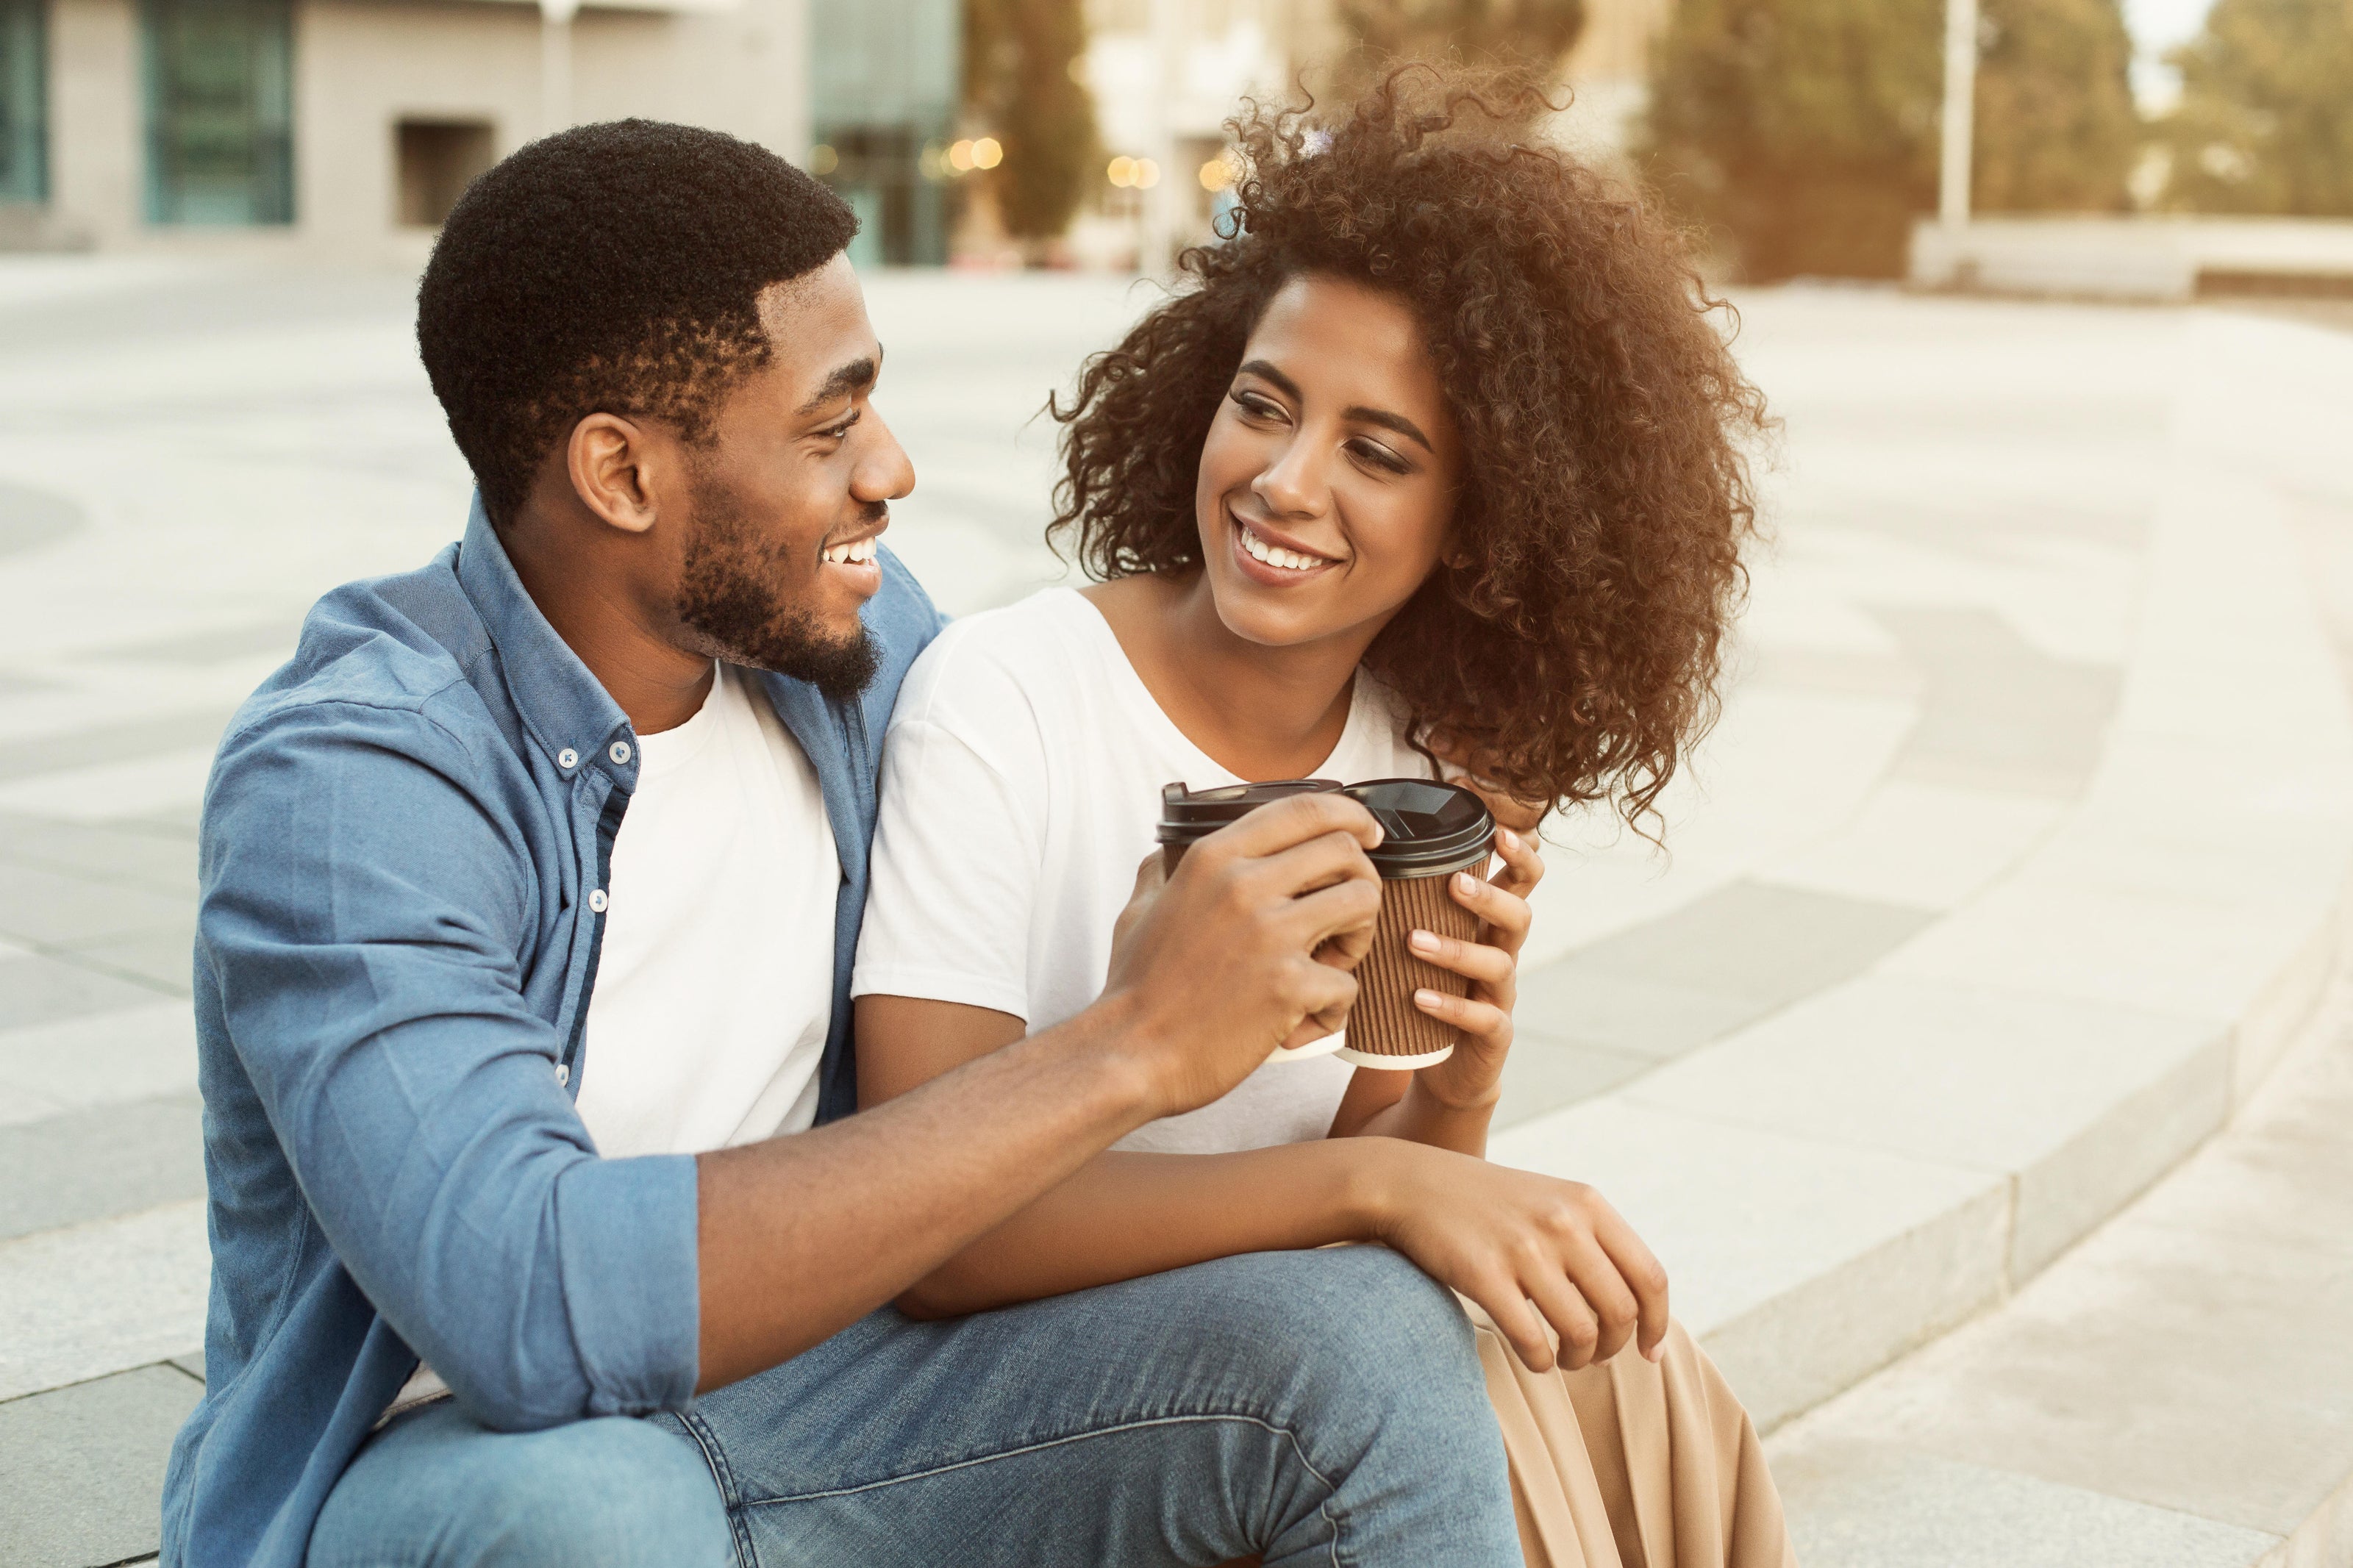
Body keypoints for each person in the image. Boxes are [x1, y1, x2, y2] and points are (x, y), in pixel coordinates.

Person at [163, 120, 1534, 1568]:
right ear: (621, 475)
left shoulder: (855, 643)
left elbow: (1080, 781)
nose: (892, 469)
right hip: (464, 1465)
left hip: (834, 1396)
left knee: (1362, 1341)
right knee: (605, 1517)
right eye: (829, 430)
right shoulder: (353, 784)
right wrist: (1128, 1039)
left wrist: (1406, 804)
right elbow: (525, 1304)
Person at [852, 70, 1795, 1567]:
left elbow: (1387, 1174)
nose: (1285, 485)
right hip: (1027, 1400)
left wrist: (1457, 1081)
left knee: (1627, 1360)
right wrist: (1386, 1176)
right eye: (1264, 405)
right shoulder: (1008, 696)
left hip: (1303, 1354)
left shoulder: (1420, 762)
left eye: (1377, 450)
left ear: (1481, 518)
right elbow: (930, 1235)